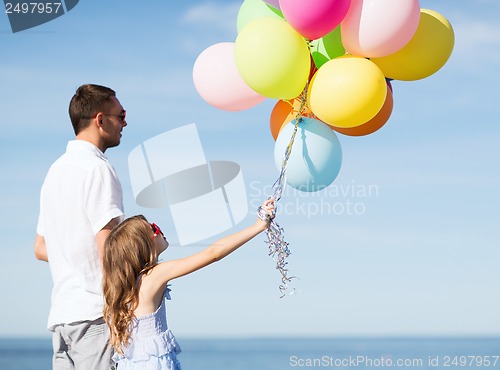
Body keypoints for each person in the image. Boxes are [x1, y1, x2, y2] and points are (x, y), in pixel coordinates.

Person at [102, 199, 275, 370]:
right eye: (153, 228)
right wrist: (259, 225)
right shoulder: (154, 276)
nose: (159, 230)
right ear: (143, 245)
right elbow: (213, 253)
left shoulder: (123, 292)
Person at [34, 84, 127, 370]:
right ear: (100, 120)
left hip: (62, 319)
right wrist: (122, 308)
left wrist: (73, 255)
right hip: (95, 316)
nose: (125, 122)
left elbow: (40, 248)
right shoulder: (98, 168)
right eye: (120, 114)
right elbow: (106, 246)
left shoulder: (55, 171)